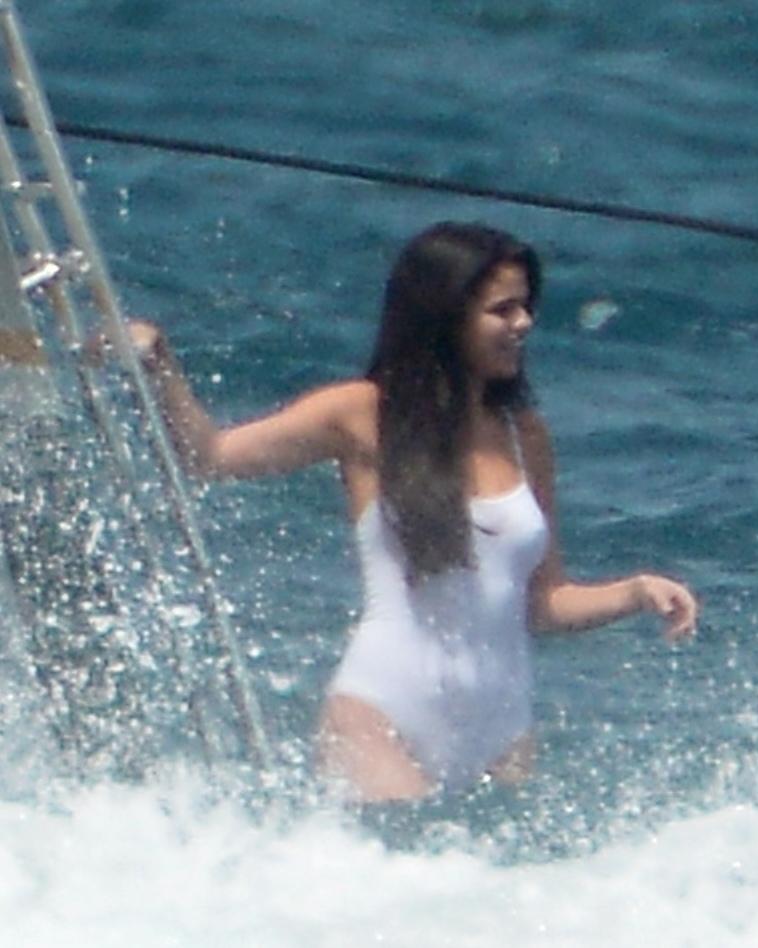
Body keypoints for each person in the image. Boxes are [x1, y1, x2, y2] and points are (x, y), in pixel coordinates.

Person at [125, 221, 697, 802]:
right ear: (446, 316)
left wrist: (635, 592)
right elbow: (210, 457)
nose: (524, 323)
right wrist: (158, 363)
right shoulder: (360, 412)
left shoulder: (525, 435)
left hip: (502, 730)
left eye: (526, 307)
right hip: (382, 711)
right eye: (502, 310)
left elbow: (542, 603)